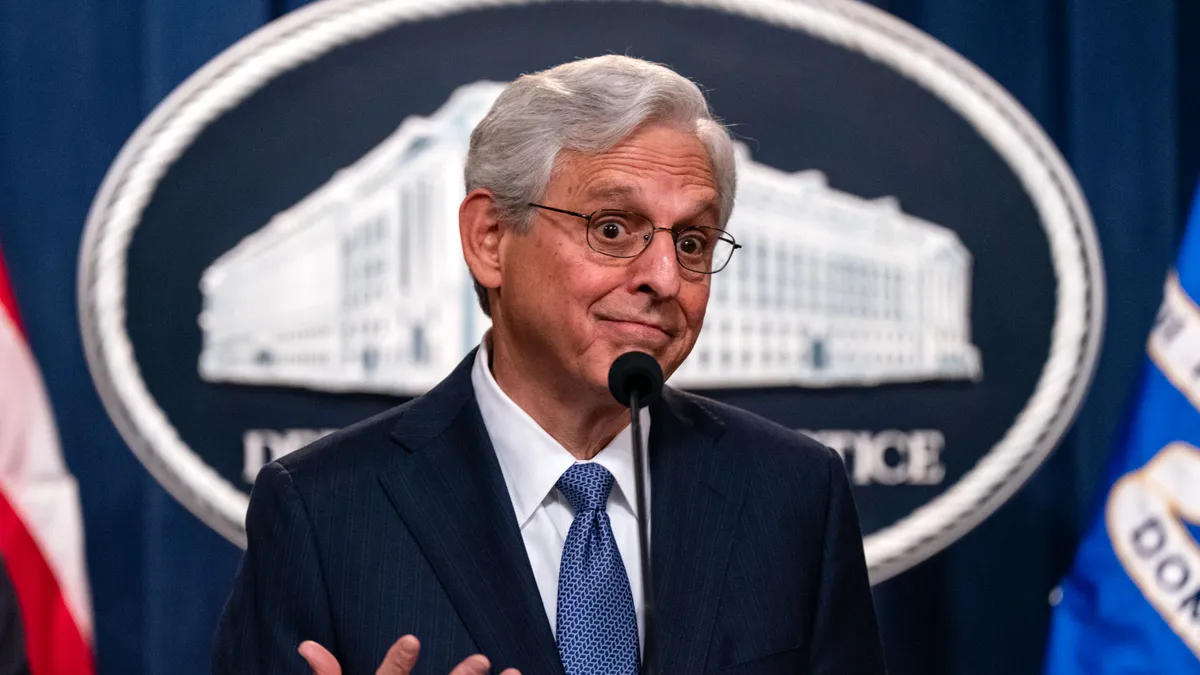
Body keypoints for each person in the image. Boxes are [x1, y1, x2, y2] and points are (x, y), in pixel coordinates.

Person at [212, 54, 885, 675]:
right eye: (613, 228)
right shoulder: (324, 511)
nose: (663, 276)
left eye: (691, 240)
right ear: (490, 240)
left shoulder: (793, 493)